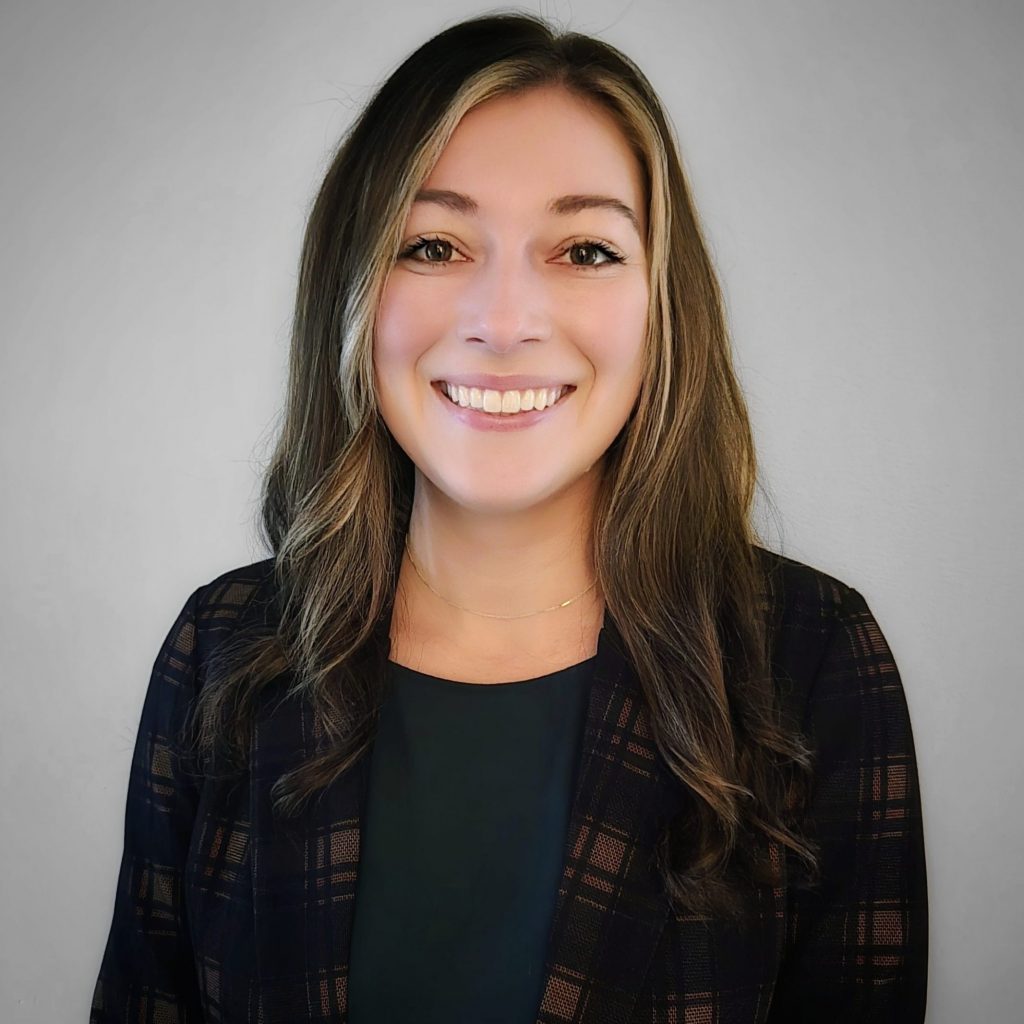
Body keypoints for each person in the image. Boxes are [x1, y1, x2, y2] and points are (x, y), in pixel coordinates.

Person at [89, 11, 928, 1023]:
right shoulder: (222, 651)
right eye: (433, 244)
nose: (503, 320)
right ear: (350, 292)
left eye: (583, 250)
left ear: (665, 306)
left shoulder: (811, 659)